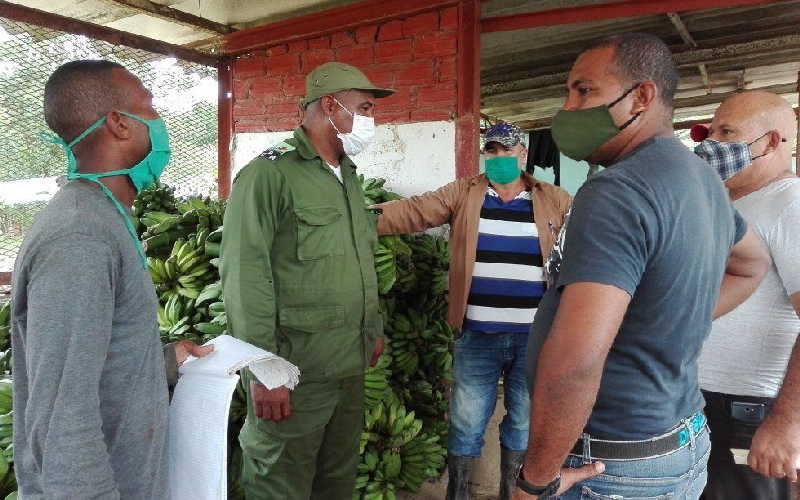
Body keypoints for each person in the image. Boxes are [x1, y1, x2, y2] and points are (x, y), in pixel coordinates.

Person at [512, 33, 770, 500]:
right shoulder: (700, 177)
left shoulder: (616, 190)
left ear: (643, 97)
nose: (568, 109)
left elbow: (575, 362)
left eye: (584, 90)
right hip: (679, 437)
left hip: (609, 462)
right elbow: (751, 264)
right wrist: (668, 320)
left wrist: (536, 479)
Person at [10, 60, 212, 499]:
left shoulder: (104, 216)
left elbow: (87, 362)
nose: (161, 125)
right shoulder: (79, 237)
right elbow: (62, 416)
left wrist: (159, 362)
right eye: (151, 108)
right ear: (120, 124)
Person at [220, 62, 391, 500]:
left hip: (348, 366)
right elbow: (244, 276)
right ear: (330, 105)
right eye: (365, 108)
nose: (372, 120)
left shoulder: (348, 175)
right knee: (280, 484)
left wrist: (371, 329)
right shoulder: (269, 174)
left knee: (336, 481)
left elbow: (356, 259)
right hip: (296, 370)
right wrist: (264, 369)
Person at [374, 122, 572, 500]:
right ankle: (459, 494)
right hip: (477, 334)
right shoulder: (465, 193)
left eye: (506, 151)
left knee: (523, 422)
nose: (499, 158)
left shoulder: (554, 199)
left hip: (535, 337)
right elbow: (415, 211)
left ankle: (511, 493)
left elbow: (585, 241)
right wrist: (362, 216)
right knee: (466, 422)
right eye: (492, 151)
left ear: (523, 154)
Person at [695, 91, 800, 500]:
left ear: (772, 142)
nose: (712, 143)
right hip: (701, 400)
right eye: (712, 130)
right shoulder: (731, 201)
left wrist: (787, 422)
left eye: (727, 132)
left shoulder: (790, 203)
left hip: (748, 409)